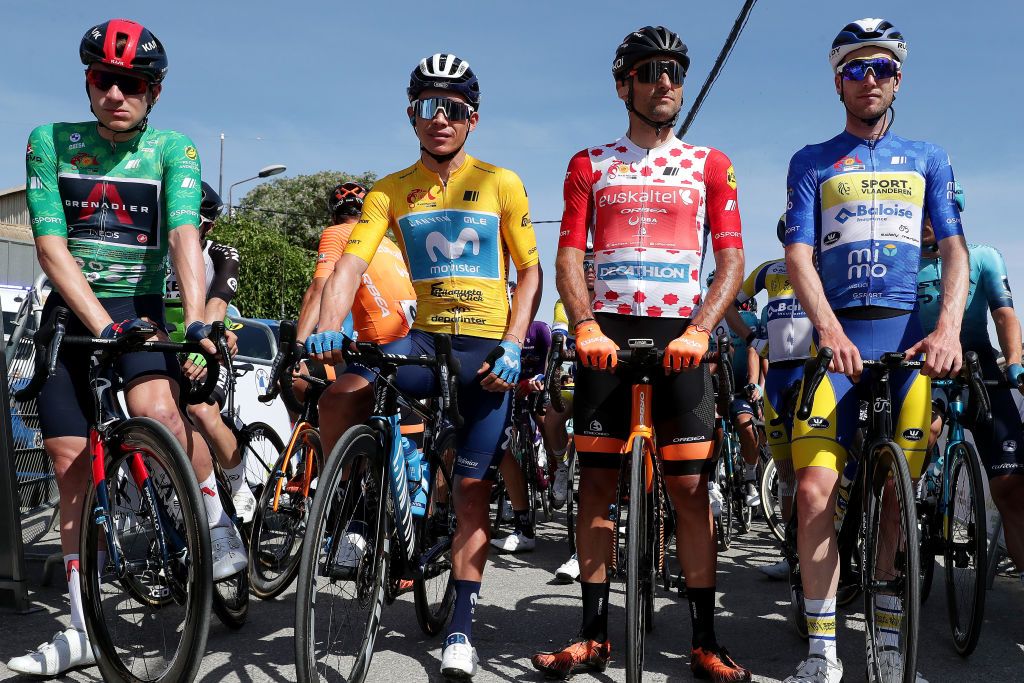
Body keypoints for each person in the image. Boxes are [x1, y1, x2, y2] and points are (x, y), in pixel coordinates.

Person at [8, 19, 243, 677]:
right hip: (75, 313)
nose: (116, 92)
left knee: (164, 412)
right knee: (69, 465)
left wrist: (195, 321)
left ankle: (214, 518)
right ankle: (83, 628)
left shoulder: (174, 148)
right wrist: (99, 326)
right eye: (103, 78)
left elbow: (182, 238)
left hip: (139, 307)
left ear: (153, 92)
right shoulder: (51, 142)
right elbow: (52, 250)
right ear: (88, 80)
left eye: (131, 83)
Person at [305, 53, 541, 679]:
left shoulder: (501, 182)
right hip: (426, 340)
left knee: (469, 491)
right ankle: (356, 500)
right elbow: (348, 265)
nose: (440, 118)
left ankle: (460, 626)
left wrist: (515, 342)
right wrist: (329, 328)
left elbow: (529, 270)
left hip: (486, 349)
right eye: (427, 106)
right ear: (411, 116)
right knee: (340, 397)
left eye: (453, 107)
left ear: (473, 119)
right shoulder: (388, 189)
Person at [533, 26, 751, 682]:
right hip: (608, 334)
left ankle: (704, 639)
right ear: (622, 82)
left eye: (676, 72)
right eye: (652, 70)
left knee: (689, 488)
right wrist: (584, 325)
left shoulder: (710, 163)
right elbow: (569, 257)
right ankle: (593, 635)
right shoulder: (589, 163)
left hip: (679, 335)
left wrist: (701, 330)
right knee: (595, 485)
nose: (666, 83)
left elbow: (732, 262)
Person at [784, 18, 969, 683]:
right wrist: (827, 329)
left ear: (900, 78)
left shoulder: (929, 157)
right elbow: (798, 254)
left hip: (905, 342)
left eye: (883, 68)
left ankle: (889, 647)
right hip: (838, 346)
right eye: (858, 69)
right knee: (812, 491)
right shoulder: (811, 160)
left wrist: (948, 330)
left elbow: (952, 249)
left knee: (896, 496)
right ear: (838, 80)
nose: (871, 80)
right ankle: (823, 649)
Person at [917, 192, 1024, 587]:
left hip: (978, 367)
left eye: (938, 212)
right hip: (924, 368)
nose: (930, 220)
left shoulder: (984, 256)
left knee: (1012, 490)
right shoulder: (902, 263)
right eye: (922, 212)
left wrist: (1014, 363)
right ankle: (909, 506)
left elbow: (1004, 314)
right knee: (927, 429)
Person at [295, 180, 417, 458]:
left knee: (310, 388)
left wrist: (298, 344)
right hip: (414, 345)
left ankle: (338, 487)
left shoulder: (338, 233)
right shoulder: (390, 244)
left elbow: (320, 287)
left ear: (332, 216)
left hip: (381, 347)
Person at [165, 182, 255, 522]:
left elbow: (216, 305)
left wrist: (203, 353)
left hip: (208, 345)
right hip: (164, 348)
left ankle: (238, 482)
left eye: (194, 221)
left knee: (201, 412)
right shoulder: (154, 254)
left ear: (208, 226)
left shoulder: (221, 254)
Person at [736, 215, 812, 580]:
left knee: (816, 472)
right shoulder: (769, 271)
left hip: (815, 377)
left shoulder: (827, 267)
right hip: (780, 379)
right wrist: (753, 339)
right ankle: (792, 554)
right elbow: (728, 302)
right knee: (786, 477)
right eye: (788, 235)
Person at [548, 248, 597, 584]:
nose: (591, 271)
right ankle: (562, 466)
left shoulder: (615, 294)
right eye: (586, 265)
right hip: (579, 382)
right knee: (552, 414)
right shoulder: (565, 298)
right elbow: (558, 333)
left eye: (596, 265)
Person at [490, 318, 552, 553]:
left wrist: (539, 381)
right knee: (504, 444)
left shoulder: (539, 329)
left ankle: (556, 465)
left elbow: (550, 364)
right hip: (510, 385)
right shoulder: (500, 327)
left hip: (535, 384)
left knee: (545, 420)